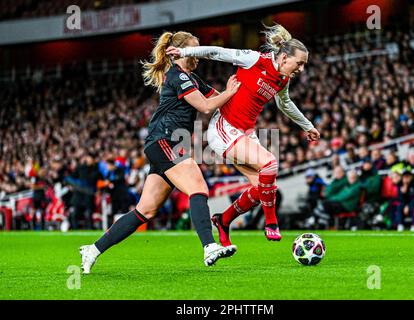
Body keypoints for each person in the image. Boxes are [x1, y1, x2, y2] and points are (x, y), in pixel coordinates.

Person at [79, 31, 241, 273]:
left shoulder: (192, 78)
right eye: (194, 50)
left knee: (145, 210)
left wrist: (244, 95)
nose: (198, 55)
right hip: (165, 140)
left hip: (166, 144)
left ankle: (93, 249)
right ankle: (209, 246)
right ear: (181, 51)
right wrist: (229, 92)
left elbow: (218, 100)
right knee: (198, 187)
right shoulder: (177, 76)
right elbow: (206, 106)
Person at [167, 23, 320, 245]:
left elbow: (285, 104)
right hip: (224, 128)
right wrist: (184, 52)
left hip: (245, 134)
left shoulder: (283, 80)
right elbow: (217, 52)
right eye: (300, 64)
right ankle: (271, 223)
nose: (301, 69)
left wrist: (307, 125)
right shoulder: (254, 59)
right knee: (270, 164)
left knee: (263, 189)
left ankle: (224, 220)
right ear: (285, 58)